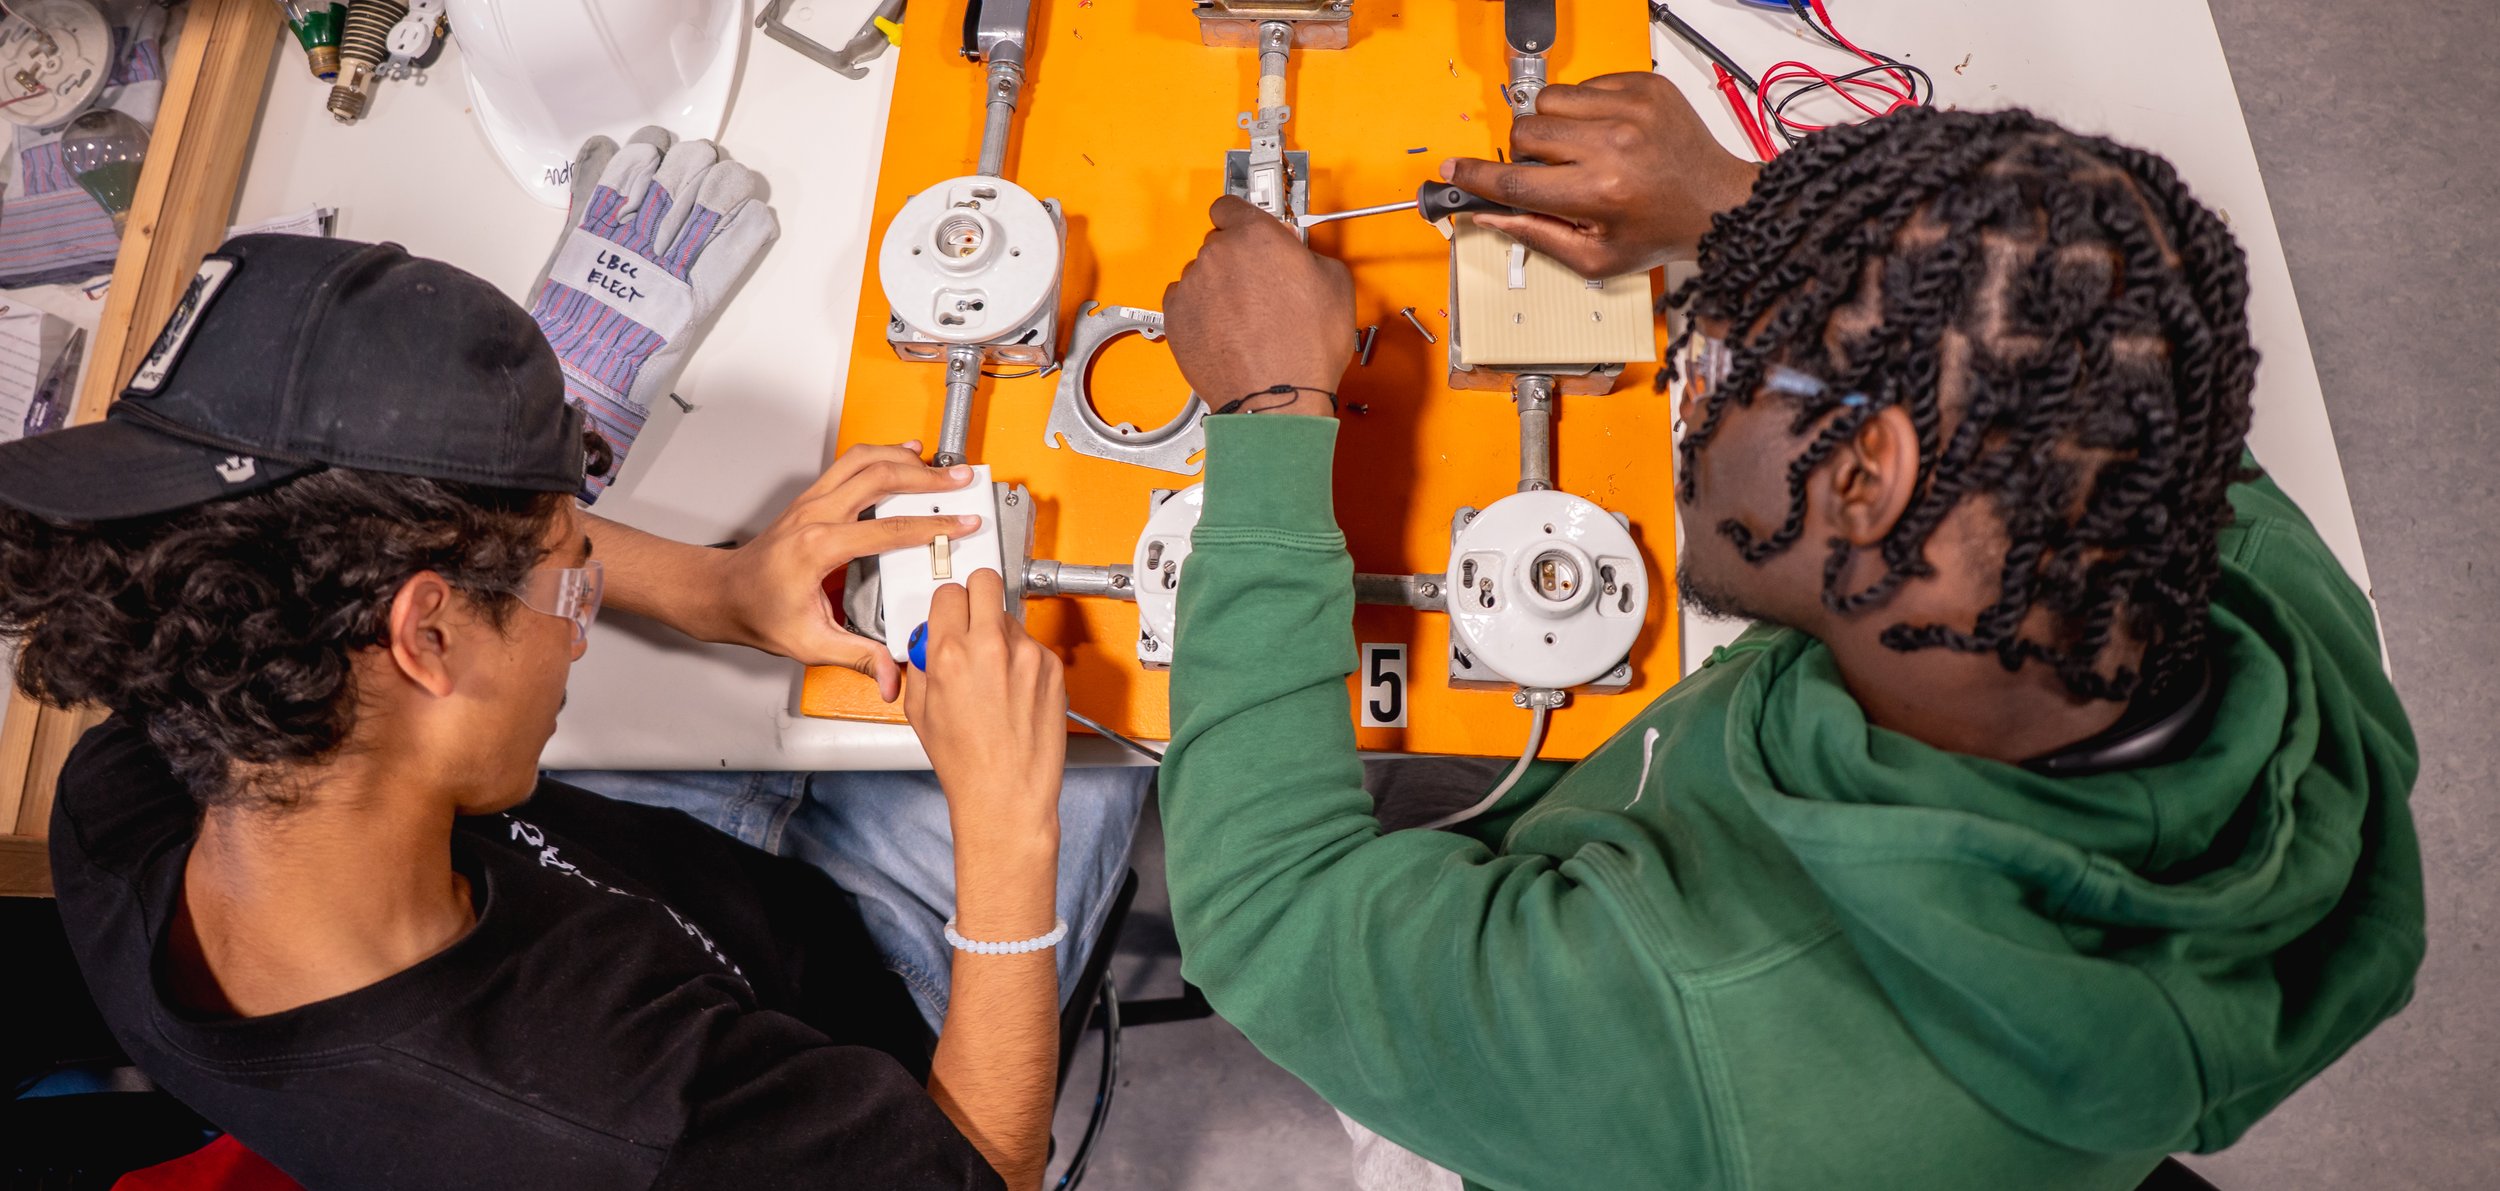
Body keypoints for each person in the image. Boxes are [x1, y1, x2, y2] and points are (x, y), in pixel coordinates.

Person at [1154, 76, 2422, 1190]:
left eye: (1726, 362)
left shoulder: (1695, 1016)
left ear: (1864, 475)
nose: (1689, 380)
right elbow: (2079, 339)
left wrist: (1271, 411)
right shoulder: (2258, 589)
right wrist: (1729, 202)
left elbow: (1268, 912)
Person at [0, 234, 1148, 1190]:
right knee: (1123, 718)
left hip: (688, 893)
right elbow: (981, 1173)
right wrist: (1008, 834)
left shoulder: (135, 792)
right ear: (428, 636)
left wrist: (718, 587)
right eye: (571, 579)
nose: (587, 615)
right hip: (879, 1045)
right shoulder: (614, 1120)